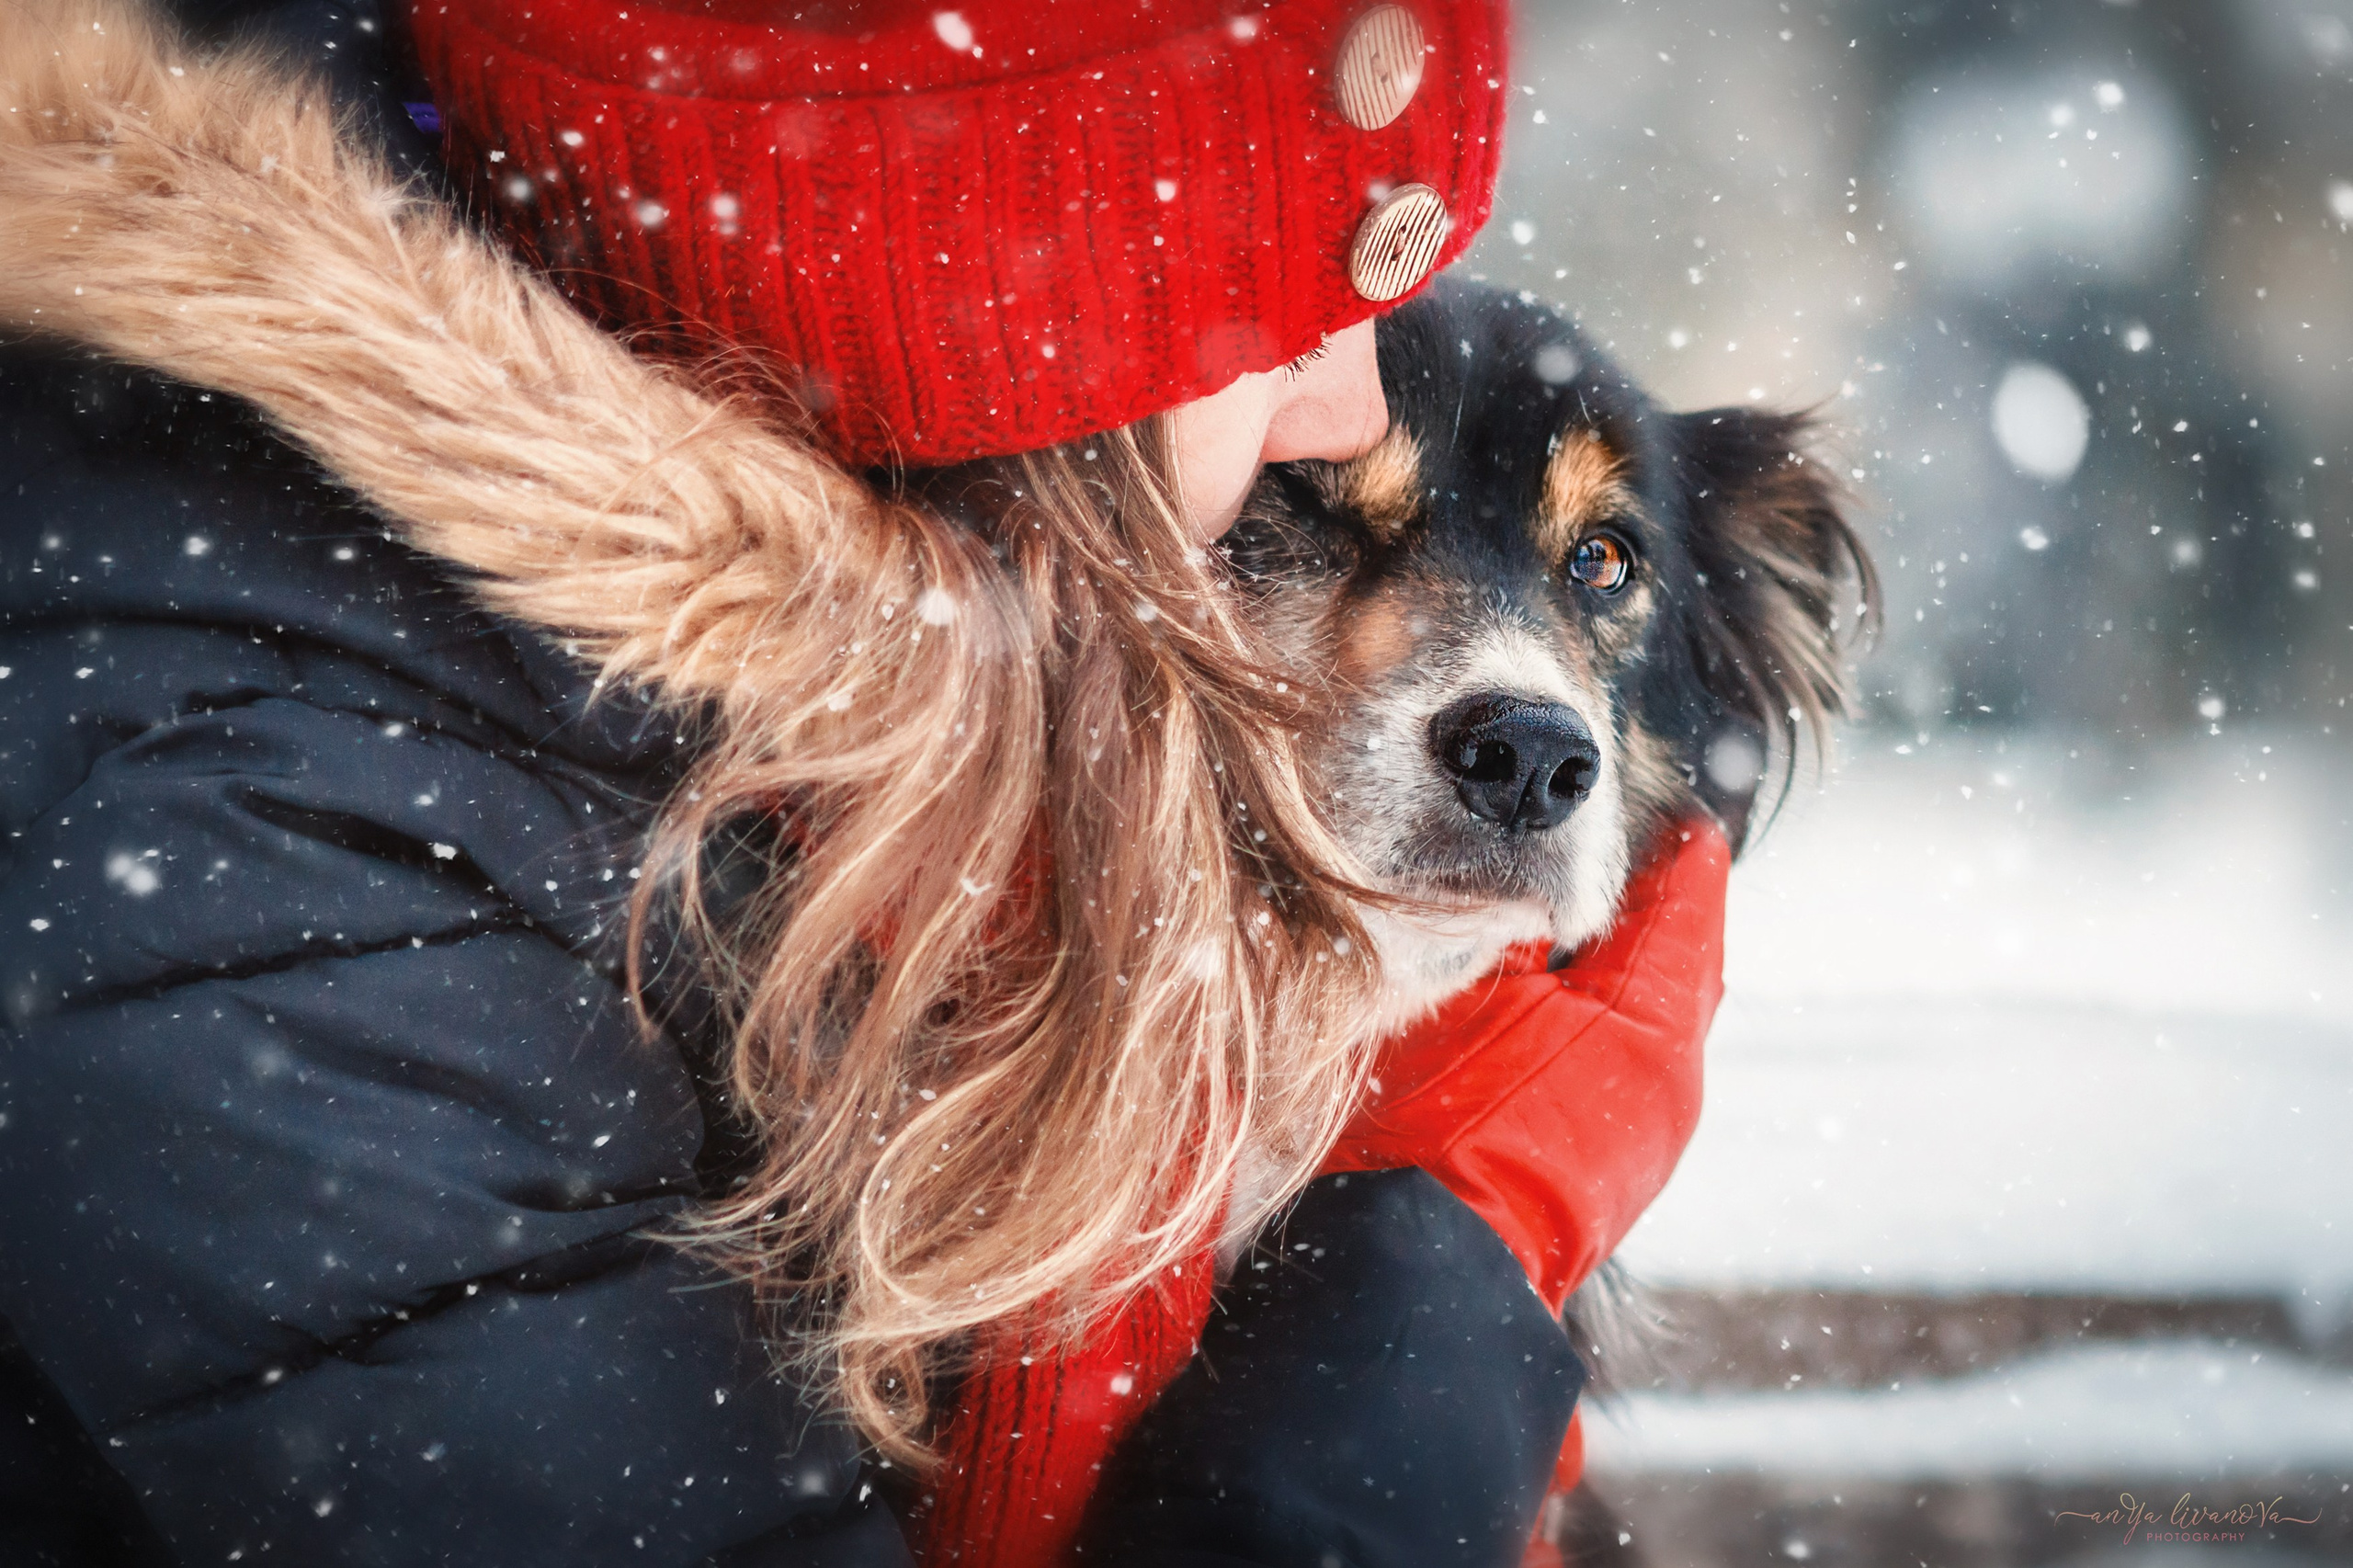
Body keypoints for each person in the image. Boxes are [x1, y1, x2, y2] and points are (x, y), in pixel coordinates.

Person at [0, 1, 1730, 1563]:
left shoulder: (843, 727)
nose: (1335, 404)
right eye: (1282, 314)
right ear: (979, 302)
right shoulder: (280, 810)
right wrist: (1439, 1257)